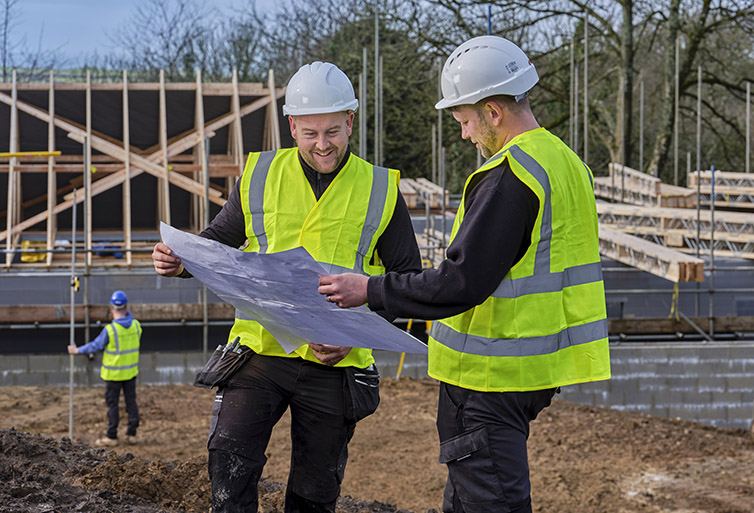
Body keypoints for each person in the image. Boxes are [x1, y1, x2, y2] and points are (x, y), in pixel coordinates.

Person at [319, 36, 611, 513]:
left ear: (494, 111)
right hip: (531, 372)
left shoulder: (509, 176)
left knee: (491, 500)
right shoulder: (564, 161)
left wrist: (369, 290)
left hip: (489, 379)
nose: (464, 134)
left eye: (465, 120)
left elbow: (460, 283)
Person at [151, 61, 421, 513]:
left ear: (350, 121)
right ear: (291, 125)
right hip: (259, 348)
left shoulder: (381, 190)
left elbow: (407, 281)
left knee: (315, 493)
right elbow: (219, 242)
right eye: (310, 133)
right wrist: (181, 259)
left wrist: (352, 332)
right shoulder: (259, 175)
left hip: (334, 359)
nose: (322, 145)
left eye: (333, 132)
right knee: (229, 463)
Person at [67, 290, 141, 447]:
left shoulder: (110, 330)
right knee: (131, 403)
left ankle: (112, 436)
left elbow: (96, 346)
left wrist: (77, 350)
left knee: (113, 405)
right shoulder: (136, 326)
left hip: (113, 375)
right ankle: (132, 434)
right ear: (127, 307)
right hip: (130, 373)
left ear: (111, 309)